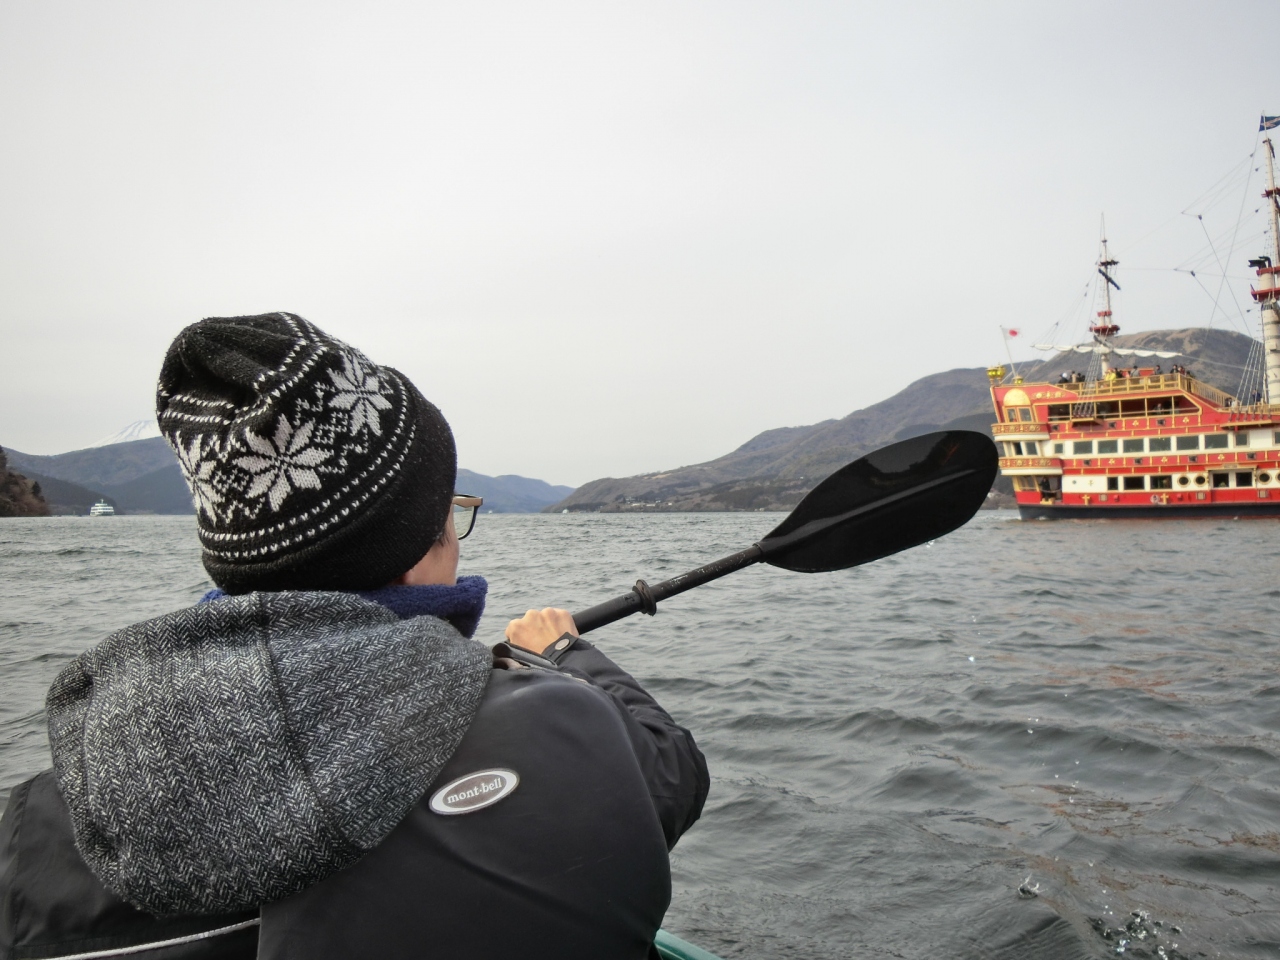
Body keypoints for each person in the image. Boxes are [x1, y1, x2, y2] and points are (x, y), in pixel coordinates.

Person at [0, 313, 710, 960]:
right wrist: (561, 653)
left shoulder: (41, 814)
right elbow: (672, 775)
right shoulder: (561, 724)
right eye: (448, 513)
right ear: (419, 545)